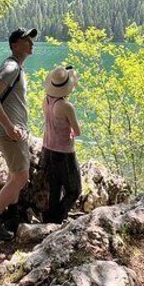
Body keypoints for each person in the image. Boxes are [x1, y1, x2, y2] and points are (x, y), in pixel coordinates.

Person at [0, 27, 37, 241]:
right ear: (14, 44)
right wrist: (10, 127)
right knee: (21, 177)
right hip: (9, 132)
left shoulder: (16, 67)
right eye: (25, 39)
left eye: (31, 39)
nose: (31, 42)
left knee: (15, 176)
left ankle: (12, 218)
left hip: (12, 131)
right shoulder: (11, 66)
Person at [41, 65, 82, 224]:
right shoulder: (66, 106)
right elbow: (77, 131)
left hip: (47, 149)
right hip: (64, 153)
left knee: (55, 188)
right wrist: (71, 133)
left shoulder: (46, 100)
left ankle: (49, 219)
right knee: (74, 190)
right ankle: (58, 218)